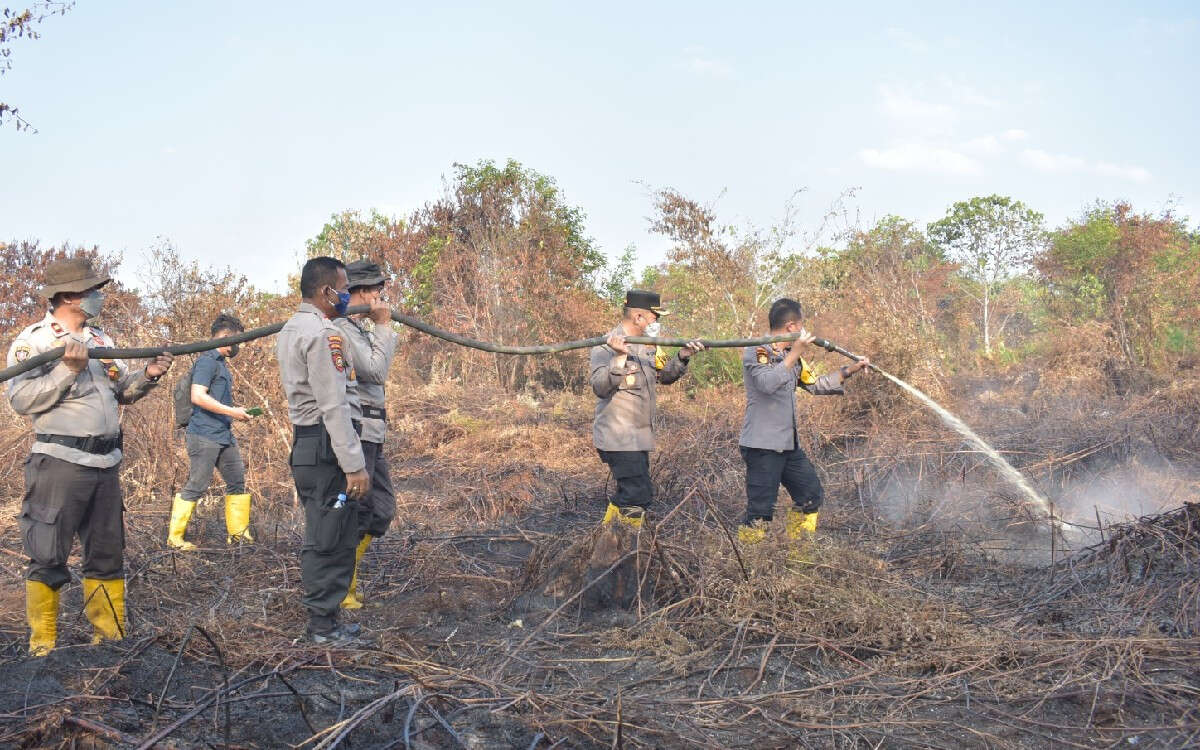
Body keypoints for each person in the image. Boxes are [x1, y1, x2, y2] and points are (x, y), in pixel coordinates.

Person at [7, 258, 173, 656]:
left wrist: (148, 375)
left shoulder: (101, 339)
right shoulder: (35, 341)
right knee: (47, 552)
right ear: (68, 297)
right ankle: (43, 647)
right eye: (92, 290)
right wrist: (66, 371)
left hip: (105, 464)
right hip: (60, 462)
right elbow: (21, 399)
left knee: (106, 553)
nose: (99, 296)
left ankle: (110, 641)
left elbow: (122, 391)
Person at [277, 256, 371, 645]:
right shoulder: (322, 334)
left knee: (331, 527)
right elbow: (333, 405)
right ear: (325, 291)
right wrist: (354, 465)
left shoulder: (292, 327)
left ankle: (328, 620)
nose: (347, 295)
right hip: (326, 446)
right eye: (344, 287)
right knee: (327, 533)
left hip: (310, 443)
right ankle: (322, 626)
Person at [737, 297, 869, 544]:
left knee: (810, 495)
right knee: (760, 512)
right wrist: (795, 352)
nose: (804, 330)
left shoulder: (792, 356)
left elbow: (815, 385)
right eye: (801, 325)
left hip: (788, 445)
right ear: (791, 327)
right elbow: (766, 384)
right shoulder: (757, 350)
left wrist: (851, 369)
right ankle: (749, 566)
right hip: (762, 445)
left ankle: (798, 552)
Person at [589, 289, 704, 527]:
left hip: (639, 436)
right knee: (637, 496)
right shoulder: (605, 346)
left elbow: (664, 377)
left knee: (629, 493)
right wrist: (620, 358)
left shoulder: (649, 347)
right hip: (618, 437)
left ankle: (608, 536)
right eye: (654, 317)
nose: (656, 322)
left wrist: (683, 356)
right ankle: (628, 547)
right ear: (638, 317)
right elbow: (600, 387)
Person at [332, 260, 398, 609]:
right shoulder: (341, 328)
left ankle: (347, 578)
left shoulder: (360, 329)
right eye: (373, 290)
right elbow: (374, 370)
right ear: (357, 292)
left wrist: (379, 329)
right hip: (360, 430)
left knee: (381, 509)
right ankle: (343, 587)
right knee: (357, 510)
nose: (378, 296)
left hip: (375, 430)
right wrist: (384, 326)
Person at [168, 313, 256, 550]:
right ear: (226, 337)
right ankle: (175, 539)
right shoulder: (207, 360)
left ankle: (238, 536)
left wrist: (236, 413)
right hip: (203, 435)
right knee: (197, 484)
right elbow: (198, 396)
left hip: (223, 435)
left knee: (237, 481)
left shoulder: (221, 364)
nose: (237, 345)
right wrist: (232, 412)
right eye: (237, 340)